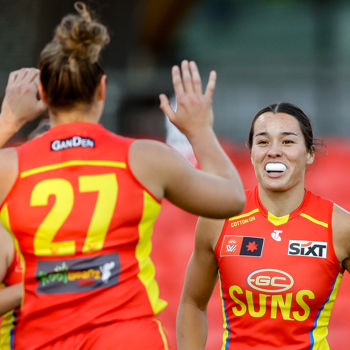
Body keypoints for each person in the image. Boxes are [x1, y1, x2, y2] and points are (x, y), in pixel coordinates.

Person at [0, 2, 245, 349]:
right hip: (129, 336)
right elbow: (233, 198)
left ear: (44, 92)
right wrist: (200, 131)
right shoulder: (144, 158)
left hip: (42, 339)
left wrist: (9, 119)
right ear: (102, 90)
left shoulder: (10, 168)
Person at [176, 102, 350, 350]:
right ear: (251, 153)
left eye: (288, 142)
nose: (274, 151)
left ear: (309, 153)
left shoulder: (341, 226)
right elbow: (193, 303)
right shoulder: (219, 218)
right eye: (263, 142)